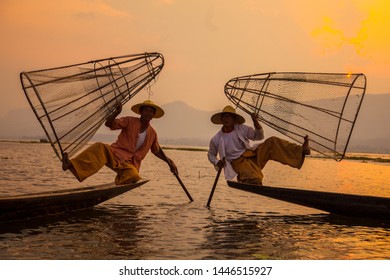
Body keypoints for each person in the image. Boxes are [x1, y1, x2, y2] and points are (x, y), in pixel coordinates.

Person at [62, 100, 177, 185]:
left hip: (130, 164)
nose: (149, 113)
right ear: (141, 112)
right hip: (114, 154)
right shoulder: (129, 121)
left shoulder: (152, 133)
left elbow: (157, 151)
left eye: (151, 112)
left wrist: (170, 162)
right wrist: (116, 113)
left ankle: (119, 182)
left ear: (154, 115)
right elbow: (109, 124)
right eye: (146, 110)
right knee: (99, 146)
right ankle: (70, 165)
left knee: (134, 176)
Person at [207, 105, 310, 185]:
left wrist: (255, 121)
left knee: (272, 141)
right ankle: (248, 179)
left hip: (252, 154)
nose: (226, 119)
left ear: (234, 119)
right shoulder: (216, 139)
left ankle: (301, 150)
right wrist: (217, 161)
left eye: (229, 116)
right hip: (238, 162)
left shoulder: (242, 128)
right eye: (224, 116)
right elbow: (211, 154)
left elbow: (259, 136)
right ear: (221, 119)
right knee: (253, 178)